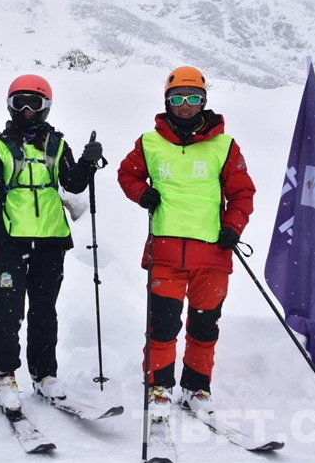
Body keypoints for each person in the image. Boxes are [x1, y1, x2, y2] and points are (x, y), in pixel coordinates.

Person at [117, 66, 255, 418]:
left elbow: (242, 193)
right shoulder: (149, 143)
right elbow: (127, 174)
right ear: (167, 101)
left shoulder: (224, 145)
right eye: (177, 98)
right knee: (162, 326)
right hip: (165, 255)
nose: (185, 105)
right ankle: (159, 388)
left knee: (204, 327)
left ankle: (197, 388)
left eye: (193, 98)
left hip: (213, 255)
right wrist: (141, 193)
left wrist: (233, 227)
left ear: (204, 101)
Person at [0, 74, 103, 410]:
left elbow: (72, 184)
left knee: (44, 310)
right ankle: (3, 373)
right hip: (10, 240)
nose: (27, 110)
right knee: (7, 309)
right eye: (20, 103)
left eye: (35, 103)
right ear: (10, 106)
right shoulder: (1, 145)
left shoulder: (57, 144)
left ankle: (44, 374)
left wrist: (88, 162)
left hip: (50, 240)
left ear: (46, 107)